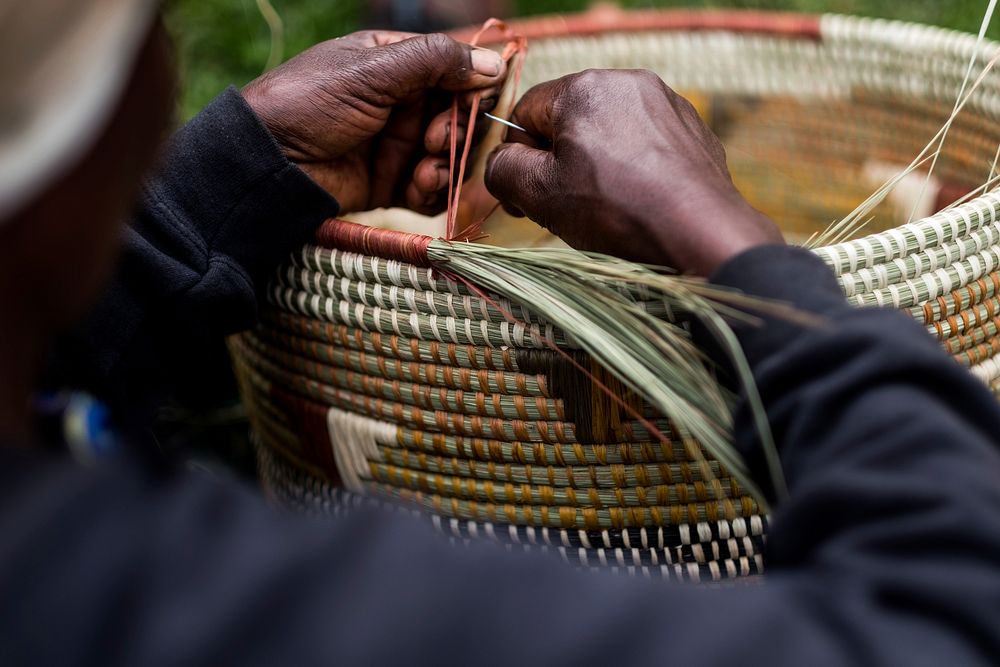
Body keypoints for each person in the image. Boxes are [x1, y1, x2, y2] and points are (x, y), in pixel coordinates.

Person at [1, 3, 999, 665]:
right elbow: (952, 610)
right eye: (145, 34)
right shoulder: (231, 613)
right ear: (87, 139)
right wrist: (718, 238)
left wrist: (223, 182)